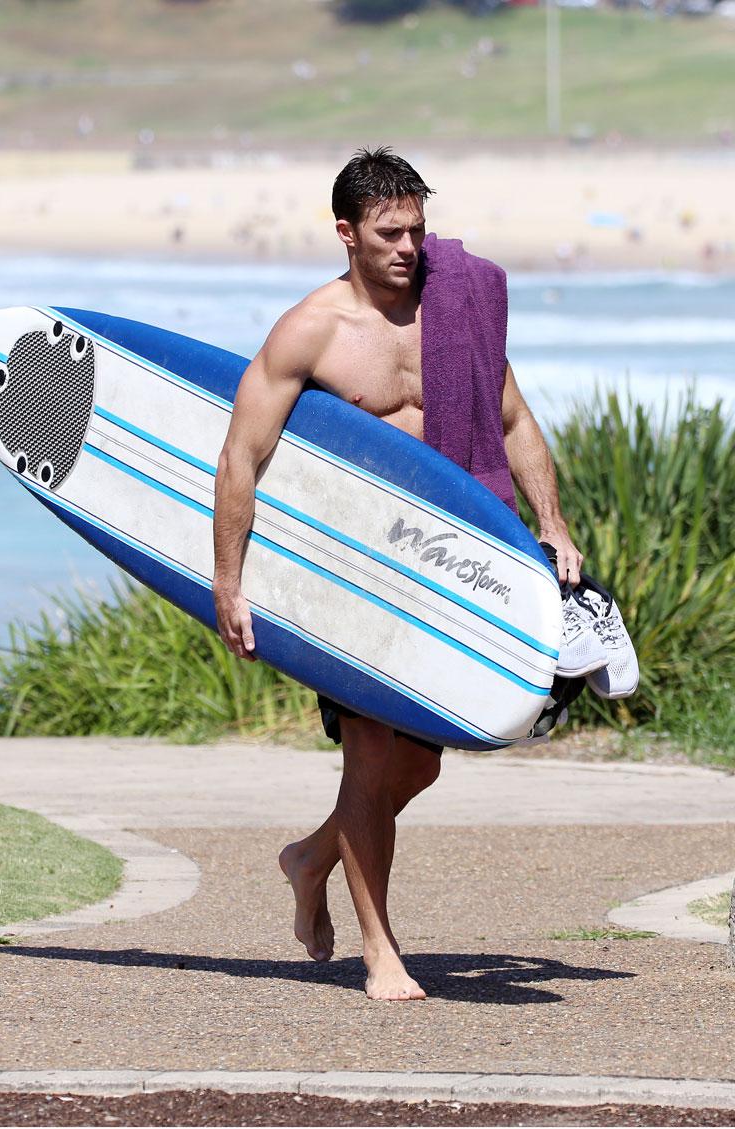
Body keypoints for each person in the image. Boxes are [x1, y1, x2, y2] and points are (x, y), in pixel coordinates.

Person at [212, 147, 582, 1001]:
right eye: (389, 233)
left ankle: (309, 858)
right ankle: (381, 949)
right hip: (358, 573)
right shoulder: (313, 330)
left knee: (421, 766)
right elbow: (240, 455)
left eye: (418, 228)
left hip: (445, 566)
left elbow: (514, 417)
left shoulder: (454, 311)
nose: (411, 247)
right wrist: (230, 583)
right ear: (346, 233)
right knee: (372, 759)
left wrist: (551, 525)